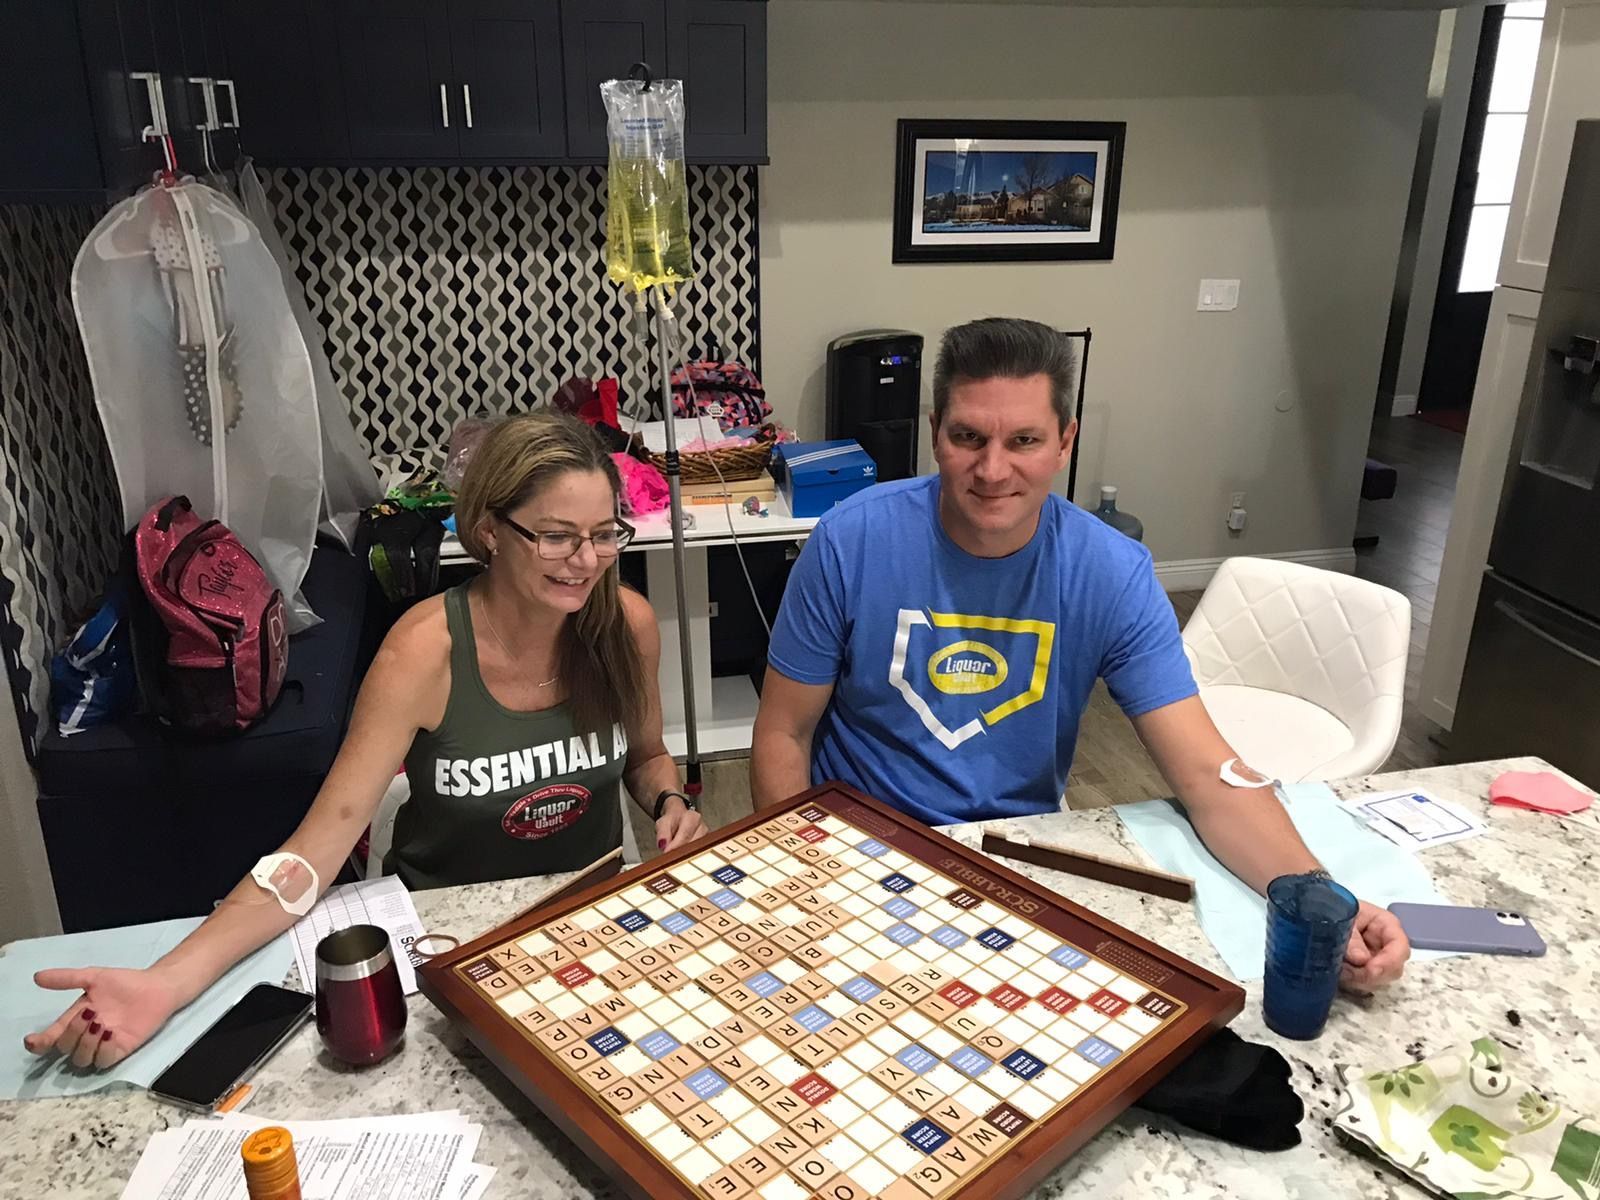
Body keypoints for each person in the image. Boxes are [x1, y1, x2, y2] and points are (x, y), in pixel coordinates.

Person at [25, 412, 708, 1071]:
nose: (586, 561)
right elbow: (314, 850)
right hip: (452, 940)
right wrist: (168, 981)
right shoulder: (422, 651)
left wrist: (668, 800)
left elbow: (647, 757)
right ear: (491, 531)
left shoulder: (626, 624)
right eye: (556, 537)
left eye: (603, 534)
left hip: (588, 928)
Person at [751, 317, 1408, 993]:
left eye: (1025, 440)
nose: (993, 470)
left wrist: (1318, 894)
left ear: (1065, 441)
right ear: (935, 433)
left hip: (1013, 856)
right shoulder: (849, 540)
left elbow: (1207, 774)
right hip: (857, 850)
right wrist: (807, 878)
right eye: (968, 437)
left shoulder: (1112, 572)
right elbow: (782, 734)